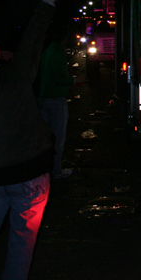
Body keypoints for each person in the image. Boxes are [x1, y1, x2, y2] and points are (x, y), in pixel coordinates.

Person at [0, 0, 58, 280]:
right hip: (30, 172)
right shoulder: (14, 75)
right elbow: (33, 39)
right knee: (20, 254)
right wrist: (46, 1)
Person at [36, 21, 80, 179]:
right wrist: (72, 80)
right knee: (58, 139)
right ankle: (56, 171)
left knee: (45, 139)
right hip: (55, 99)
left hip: (43, 97)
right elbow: (58, 78)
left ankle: (44, 171)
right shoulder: (57, 51)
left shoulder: (47, 49)